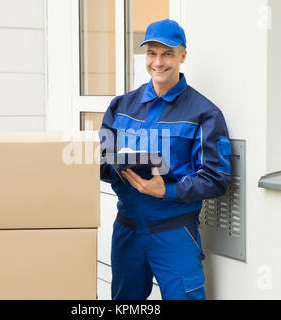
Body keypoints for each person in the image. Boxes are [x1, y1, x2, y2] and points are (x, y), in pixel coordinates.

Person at [99, 19, 231, 300]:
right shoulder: (120, 106)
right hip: (126, 230)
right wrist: (116, 167)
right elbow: (101, 162)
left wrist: (166, 190)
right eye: (152, 53)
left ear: (183, 56)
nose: (158, 62)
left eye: (168, 53)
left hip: (174, 232)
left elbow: (217, 179)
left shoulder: (205, 114)